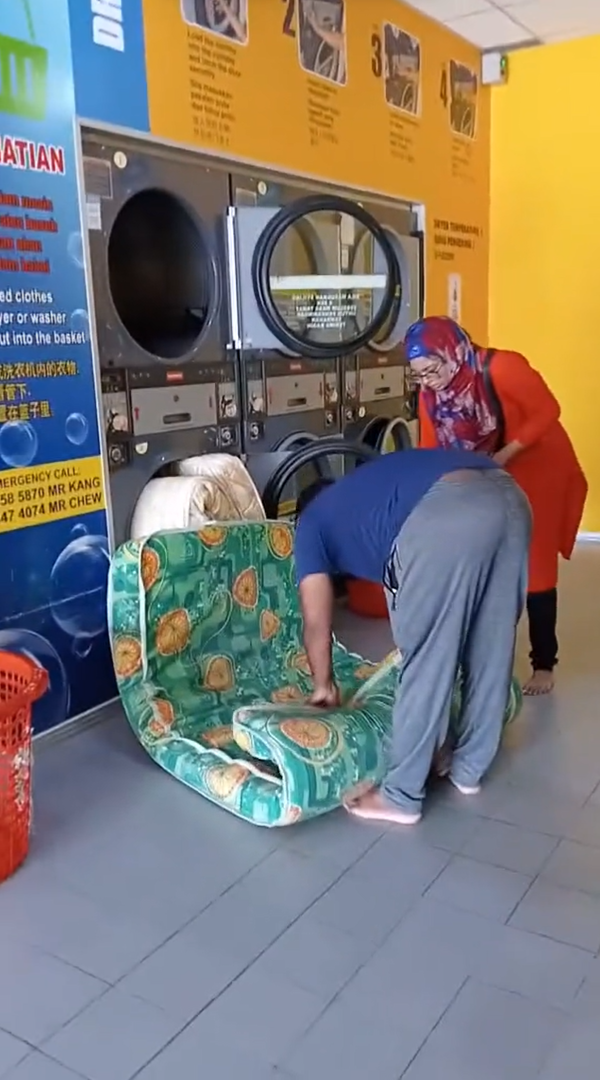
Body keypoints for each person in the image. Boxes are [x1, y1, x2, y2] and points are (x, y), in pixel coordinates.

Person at [294, 449, 531, 826]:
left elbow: (316, 623)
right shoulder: (361, 495)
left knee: (427, 654)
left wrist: (323, 685)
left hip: (448, 511)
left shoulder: (309, 525)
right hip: (510, 496)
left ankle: (401, 796)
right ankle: (467, 769)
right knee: (492, 643)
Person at [404, 317, 587, 696]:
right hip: (487, 465)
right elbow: (429, 449)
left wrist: (503, 456)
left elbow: (547, 411)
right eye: (418, 375)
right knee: (478, 552)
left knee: (534, 562)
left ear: (451, 352)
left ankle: (543, 663)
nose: (427, 381)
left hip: (538, 462)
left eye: (432, 370)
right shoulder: (430, 393)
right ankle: (479, 654)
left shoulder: (502, 367)